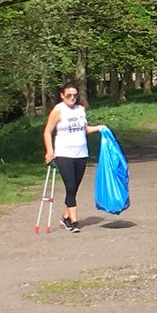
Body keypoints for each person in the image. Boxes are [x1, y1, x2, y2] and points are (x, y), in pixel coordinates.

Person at [42, 81, 107, 233]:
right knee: (70, 186)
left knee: (74, 188)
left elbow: (83, 129)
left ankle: (65, 217)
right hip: (64, 154)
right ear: (62, 95)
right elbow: (47, 131)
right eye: (69, 95)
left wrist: (99, 128)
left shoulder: (80, 109)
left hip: (81, 154)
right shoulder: (58, 110)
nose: (72, 98)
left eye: (75, 95)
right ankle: (74, 221)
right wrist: (49, 151)